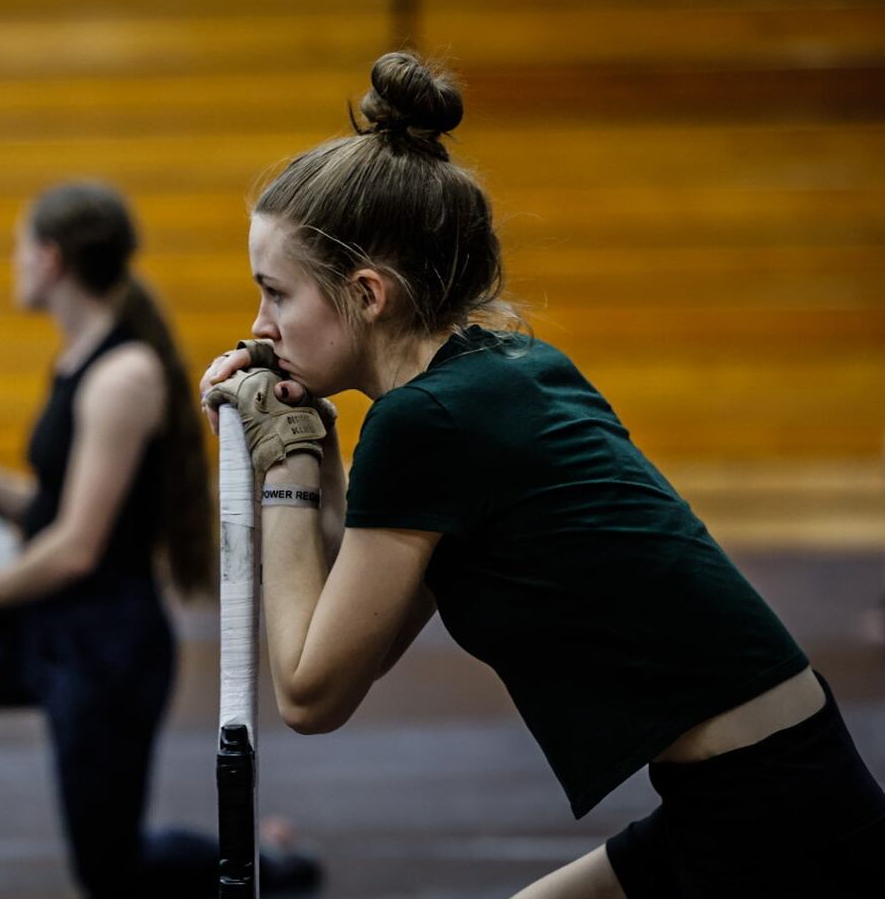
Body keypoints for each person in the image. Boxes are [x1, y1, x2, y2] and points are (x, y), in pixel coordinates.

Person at [201, 52, 885, 898]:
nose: (260, 325)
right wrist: (308, 451)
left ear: (368, 295)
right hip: (769, 786)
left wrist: (286, 461)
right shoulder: (510, 368)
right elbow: (356, 638)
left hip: (771, 822)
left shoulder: (427, 422)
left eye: (277, 293)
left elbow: (311, 692)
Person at [0, 182, 318, 898]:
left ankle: (272, 866)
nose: (15, 263)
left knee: (112, 872)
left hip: (105, 648)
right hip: (43, 629)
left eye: (19, 249)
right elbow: (49, 505)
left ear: (49, 259)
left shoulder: (122, 377)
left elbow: (76, 546)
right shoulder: (79, 360)